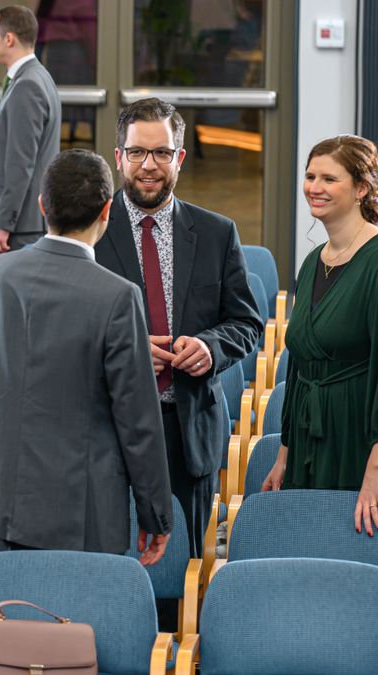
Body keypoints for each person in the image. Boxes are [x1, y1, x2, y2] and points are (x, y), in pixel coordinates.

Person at [0, 149, 173, 558]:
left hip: (7, 492)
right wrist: (155, 514)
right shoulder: (117, 296)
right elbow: (138, 419)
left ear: (42, 206)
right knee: (82, 620)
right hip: (86, 505)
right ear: (107, 211)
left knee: (15, 616)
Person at [94, 98, 261, 556]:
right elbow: (63, 332)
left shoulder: (216, 233)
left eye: (161, 153)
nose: (149, 165)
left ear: (179, 158)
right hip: (109, 430)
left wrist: (210, 347)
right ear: (119, 157)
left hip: (186, 430)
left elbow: (246, 322)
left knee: (182, 572)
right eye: (137, 153)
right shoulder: (90, 234)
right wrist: (124, 350)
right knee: (112, 569)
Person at [262, 135, 378, 535]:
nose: (314, 187)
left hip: (360, 442)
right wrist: (285, 455)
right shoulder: (312, 262)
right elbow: (302, 367)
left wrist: (377, 471)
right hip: (310, 440)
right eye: (310, 176)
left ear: (361, 188)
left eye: (329, 178)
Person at [0, 6, 61, 254]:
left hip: (23, 228)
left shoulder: (27, 85)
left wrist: (4, 222)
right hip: (25, 224)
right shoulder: (38, 77)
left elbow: (21, 163)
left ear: (9, 39)